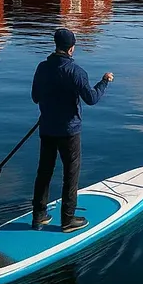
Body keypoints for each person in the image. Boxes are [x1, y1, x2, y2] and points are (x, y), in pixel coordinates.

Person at [31, 27, 113, 232]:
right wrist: (104, 82)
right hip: (69, 132)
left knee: (44, 172)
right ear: (71, 49)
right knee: (71, 174)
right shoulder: (76, 72)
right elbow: (91, 99)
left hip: (47, 128)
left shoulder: (42, 68)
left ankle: (39, 215)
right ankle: (67, 220)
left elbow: (35, 98)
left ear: (56, 45)